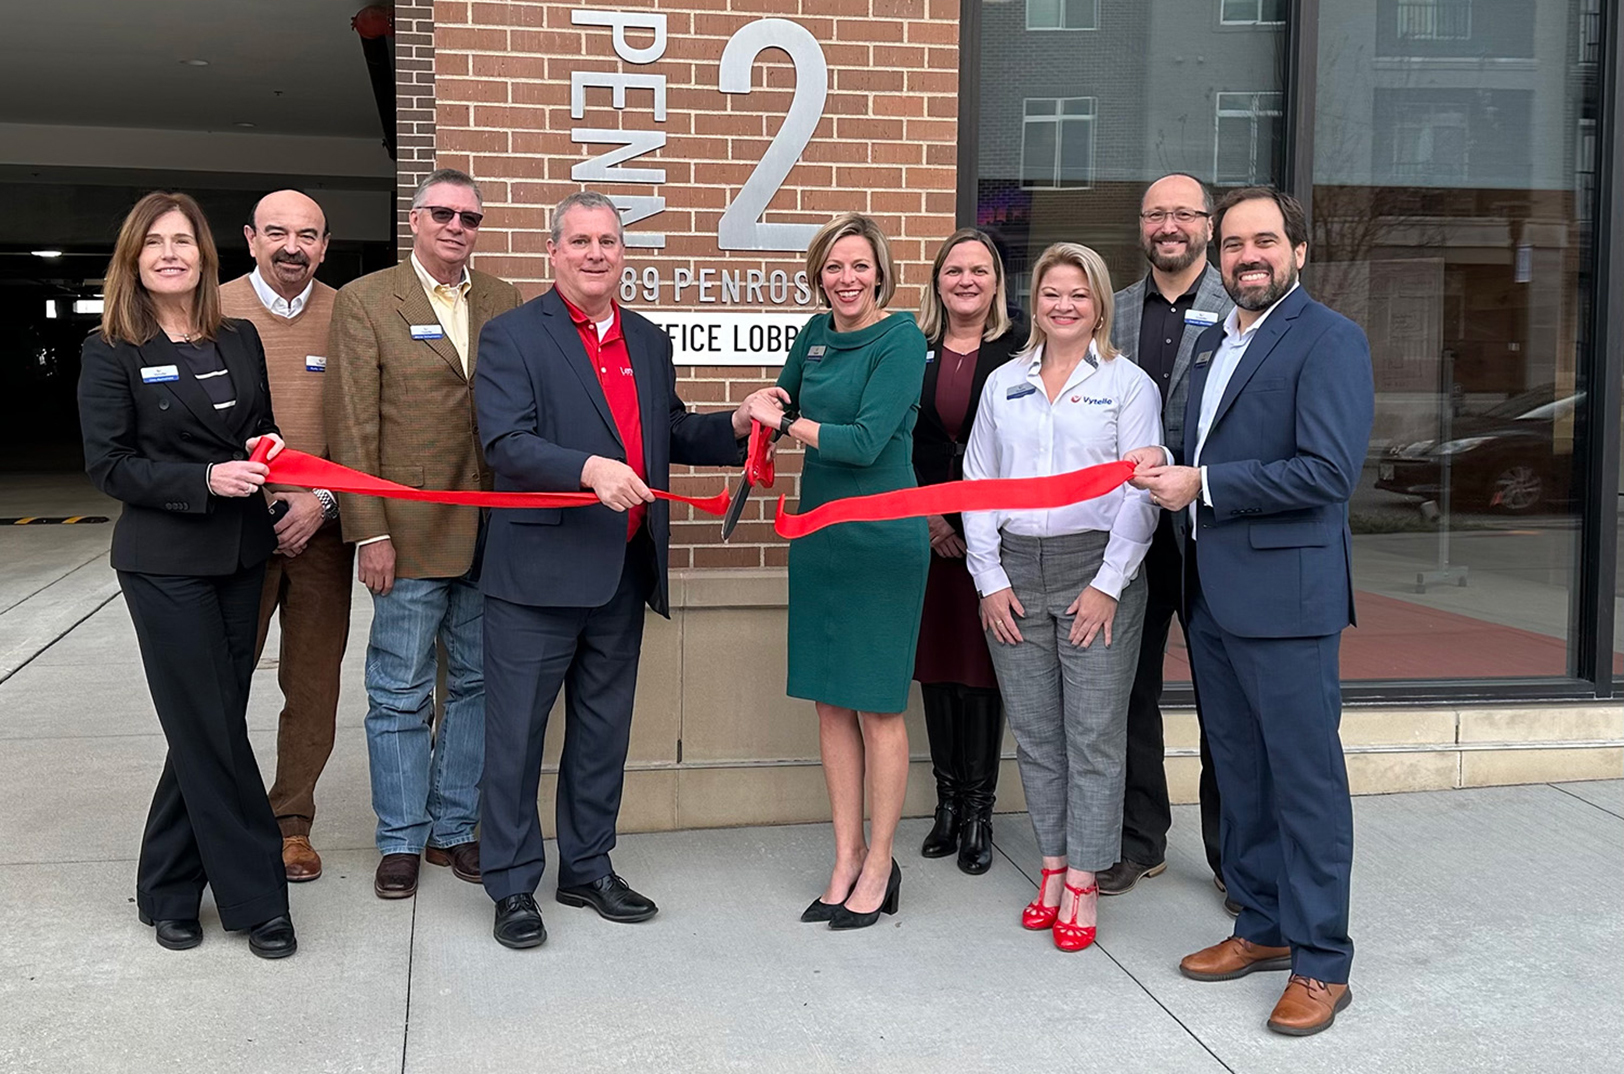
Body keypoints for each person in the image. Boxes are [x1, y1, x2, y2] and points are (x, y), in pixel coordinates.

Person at [473, 190, 787, 949]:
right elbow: (505, 442)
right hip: (536, 578)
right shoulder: (511, 335)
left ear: (623, 254)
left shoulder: (646, 339)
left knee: (602, 735)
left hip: (621, 572)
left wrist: (737, 421)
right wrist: (588, 469)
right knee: (514, 740)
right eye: (580, 240)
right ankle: (512, 885)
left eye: (608, 241)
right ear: (553, 252)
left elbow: (667, 430)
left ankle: (586, 868)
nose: (595, 253)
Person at [1127, 186, 1373, 1036]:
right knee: (1242, 774)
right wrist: (1165, 459)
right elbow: (1205, 447)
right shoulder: (1213, 342)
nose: (1247, 257)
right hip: (1215, 598)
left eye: (1264, 241)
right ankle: (1264, 925)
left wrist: (1204, 484)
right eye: (1234, 244)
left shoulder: (1329, 339)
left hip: (1289, 601)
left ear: (1297, 251)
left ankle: (1322, 961)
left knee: (1304, 783)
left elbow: (1328, 472)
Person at [78, 191, 296, 958]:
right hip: (164, 562)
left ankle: (168, 888)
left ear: (205, 256)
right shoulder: (110, 349)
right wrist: (204, 479)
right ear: (133, 259)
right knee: (209, 724)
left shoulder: (238, 337)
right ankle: (258, 899)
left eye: (183, 241)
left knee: (208, 725)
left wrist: (267, 448)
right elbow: (110, 465)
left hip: (241, 555)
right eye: (154, 242)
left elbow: (257, 426)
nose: (170, 254)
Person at [325, 168, 523, 900]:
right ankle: (402, 837)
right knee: (399, 690)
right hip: (405, 534)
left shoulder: (503, 298)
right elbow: (352, 423)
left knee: (476, 684)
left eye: (469, 218)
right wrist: (367, 531)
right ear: (415, 220)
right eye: (442, 213)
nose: (456, 227)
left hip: (491, 529)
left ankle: (453, 828)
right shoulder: (367, 300)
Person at [963, 243, 1160, 953]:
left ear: (1099, 304)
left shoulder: (1128, 384)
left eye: (1079, 293)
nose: (1064, 304)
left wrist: (1109, 585)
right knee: (1038, 734)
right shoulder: (1003, 382)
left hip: (1095, 567)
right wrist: (989, 579)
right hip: (1015, 570)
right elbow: (979, 481)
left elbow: (1142, 492)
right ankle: (1051, 864)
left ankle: (1084, 877)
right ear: (1034, 302)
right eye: (1051, 292)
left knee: (1093, 737)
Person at [740, 212, 930, 931]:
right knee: (829, 704)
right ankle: (845, 856)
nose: (846, 279)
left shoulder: (901, 338)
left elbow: (863, 441)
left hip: (881, 540)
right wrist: (764, 405)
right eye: (833, 267)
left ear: (880, 274)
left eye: (859, 266)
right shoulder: (814, 334)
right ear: (818, 275)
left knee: (878, 706)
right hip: (820, 536)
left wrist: (786, 424)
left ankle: (881, 861)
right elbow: (783, 397)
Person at [1104, 173, 1235, 908]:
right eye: (1157, 214)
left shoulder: (1241, 306)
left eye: (1184, 213)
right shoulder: (1115, 310)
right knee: (1129, 691)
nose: (1170, 225)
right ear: (1142, 225)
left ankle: (1233, 858)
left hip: (1209, 531)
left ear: (1208, 226)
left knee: (1224, 700)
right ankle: (1139, 841)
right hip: (1128, 532)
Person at [220, 189, 351, 884]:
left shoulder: (349, 313)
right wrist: (262, 505)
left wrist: (322, 502)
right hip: (234, 532)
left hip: (322, 530)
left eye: (307, 235)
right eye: (277, 233)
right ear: (251, 239)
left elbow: (367, 423)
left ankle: (291, 823)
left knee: (313, 687)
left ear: (324, 246)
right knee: (218, 684)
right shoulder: (211, 309)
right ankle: (222, 818)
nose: (292, 247)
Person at [911, 228, 1021, 876]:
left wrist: (971, 524)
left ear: (996, 282)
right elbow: (897, 436)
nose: (967, 281)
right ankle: (946, 806)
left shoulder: (1021, 349)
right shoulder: (912, 347)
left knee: (982, 675)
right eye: (955, 270)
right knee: (937, 672)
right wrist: (929, 518)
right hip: (925, 534)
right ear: (938, 280)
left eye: (980, 270)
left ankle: (980, 812)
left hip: (992, 538)